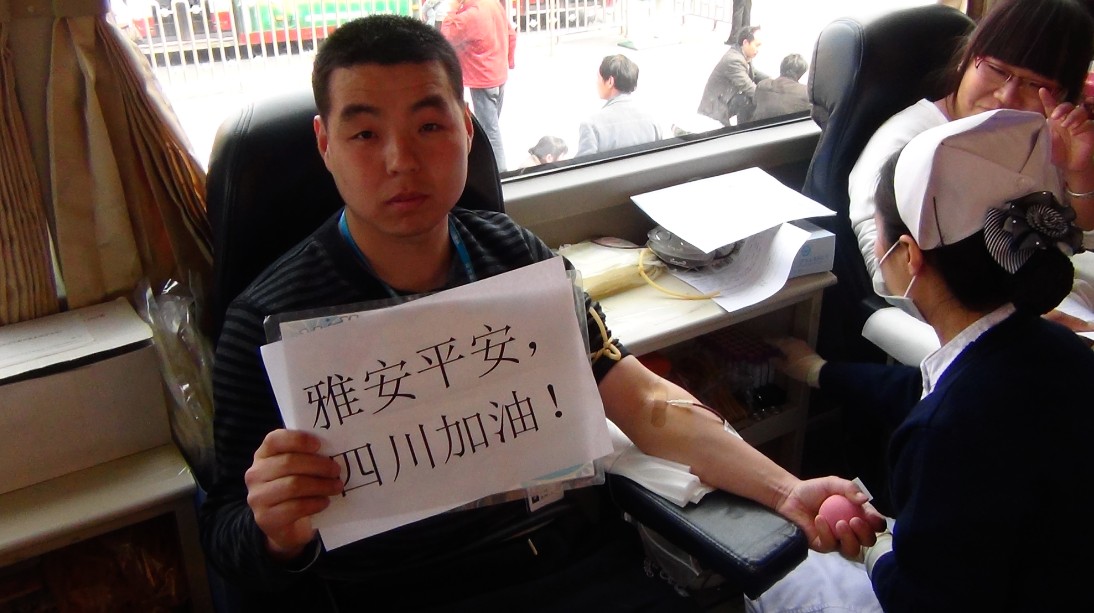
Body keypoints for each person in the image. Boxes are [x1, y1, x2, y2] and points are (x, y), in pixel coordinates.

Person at [199, 14, 878, 612]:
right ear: (325, 143)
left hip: (559, 563)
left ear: (467, 128)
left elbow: (640, 398)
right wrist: (274, 530)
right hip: (390, 591)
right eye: (364, 133)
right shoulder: (266, 321)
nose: (400, 161)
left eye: (429, 125)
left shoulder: (516, 256)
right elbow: (227, 532)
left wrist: (784, 490)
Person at [751, 109, 1094, 612]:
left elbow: (921, 600)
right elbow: (927, 388)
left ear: (909, 254)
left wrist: (874, 546)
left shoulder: (945, 434)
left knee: (777, 572)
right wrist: (818, 371)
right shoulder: (1059, 349)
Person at [848, 0, 1094, 290]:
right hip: (955, 312)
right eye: (997, 70)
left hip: (1056, 295)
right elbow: (887, 271)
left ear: (1064, 95)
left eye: (1034, 84)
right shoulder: (906, 140)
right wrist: (1013, 311)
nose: (1006, 95)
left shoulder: (1049, 136)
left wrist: (1079, 171)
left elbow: (1082, 233)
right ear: (968, 57)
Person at [441, 0, 515, 171]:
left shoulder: (472, 14)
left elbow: (447, 35)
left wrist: (452, 7)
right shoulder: (493, 4)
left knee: (490, 131)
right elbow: (511, 34)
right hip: (498, 75)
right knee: (492, 125)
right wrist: (509, 61)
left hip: (483, 78)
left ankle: (500, 172)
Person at [575, 55, 664, 157]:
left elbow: (583, 165)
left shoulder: (591, 125)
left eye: (598, 78)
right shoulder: (652, 120)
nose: (596, 82)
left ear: (610, 81)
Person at [698, 25, 769, 126]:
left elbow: (754, 73)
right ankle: (744, 131)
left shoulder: (741, 53)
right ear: (745, 43)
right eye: (757, 45)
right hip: (714, 107)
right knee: (746, 100)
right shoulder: (734, 60)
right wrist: (769, 98)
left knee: (749, 98)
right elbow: (748, 87)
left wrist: (773, 82)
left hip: (725, 98)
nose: (758, 50)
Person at [751, 53, 810, 122]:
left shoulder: (762, 85)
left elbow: (754, 103)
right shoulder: (805, 92)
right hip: (789, 128)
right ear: (801, 73)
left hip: (760, 127)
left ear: (781, 67)